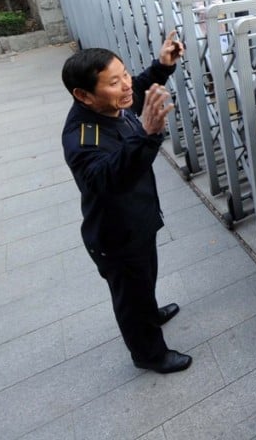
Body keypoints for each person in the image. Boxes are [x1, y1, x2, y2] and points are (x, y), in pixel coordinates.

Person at [61, 32, 192, 374]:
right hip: (116, 236)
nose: (126, 86)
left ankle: (150, 312)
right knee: (130, 297)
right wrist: (145, 134)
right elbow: (108, 177)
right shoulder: (82, 137)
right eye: (113, 82)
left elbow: (139, 87)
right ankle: (148, 354)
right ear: (83, 95)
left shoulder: (113, 103)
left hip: (140, 219)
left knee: (144, 279)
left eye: (124, 75)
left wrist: (163, 65)